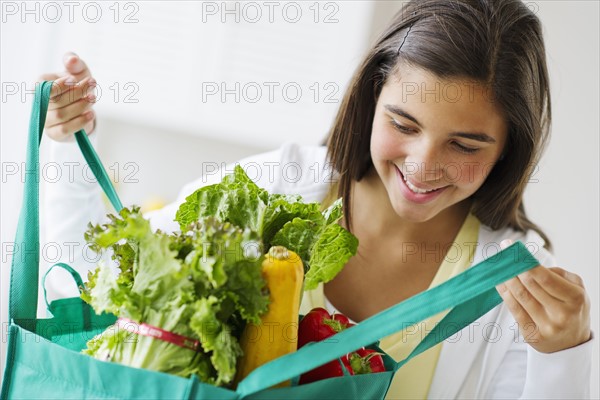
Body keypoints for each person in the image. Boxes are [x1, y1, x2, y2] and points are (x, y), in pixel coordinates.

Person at [41, 0, 593, 398]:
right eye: (403, 123)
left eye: (465, 144)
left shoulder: (515, 288)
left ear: (507, 150)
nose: (423, 166)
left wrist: (564, 357)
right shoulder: (271, 190)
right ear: (372, 98)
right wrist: (68, 146)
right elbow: (98, 284)